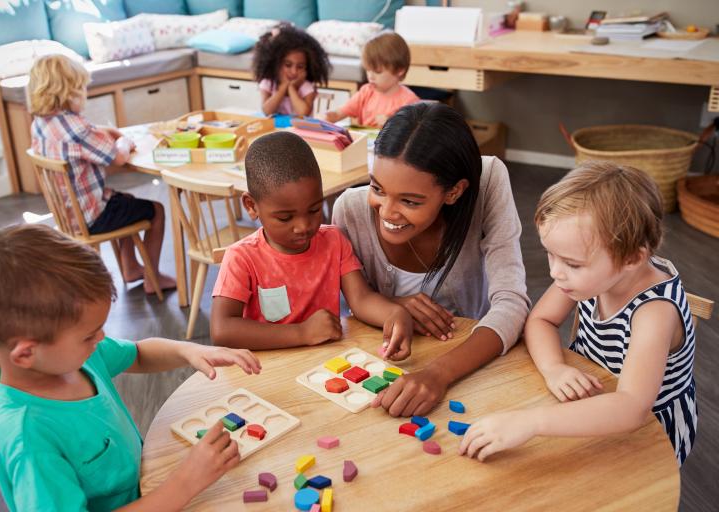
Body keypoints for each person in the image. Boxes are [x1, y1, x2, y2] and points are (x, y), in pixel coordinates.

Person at [0, 224, 262, 511]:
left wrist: (189, 350)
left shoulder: (70, 357)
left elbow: (139, 354)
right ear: (25, 354)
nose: (100, 339)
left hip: (150, 487)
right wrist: (184, 483)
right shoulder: (28, 438)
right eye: (89, 335)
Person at [459, 162, 697, 465]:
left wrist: (532, 422)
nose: (555, 272)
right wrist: (553, 368)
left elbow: (632, 408)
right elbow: (541, 320)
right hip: (590, 395)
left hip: (650, 432)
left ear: (632, 259)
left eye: (571, 263)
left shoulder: (655, 312)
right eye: (551, 254)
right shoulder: (592, 275)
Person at [332, 102, 530, 416]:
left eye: (410, 201)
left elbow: (512, 302)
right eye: (377, 188)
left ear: (454, 192)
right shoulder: (349, 210)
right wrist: (392, 303)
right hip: (384, 368)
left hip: (470, 359)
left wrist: (438, 374)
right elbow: (350, 306)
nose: (387, 212)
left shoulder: (487, 179)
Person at [210, 131, 414, 358]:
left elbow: (361, 299)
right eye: (285, 218)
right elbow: (222, 330)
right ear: (251, 206)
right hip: (267, 370)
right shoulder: (242, 258)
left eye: (314, 210)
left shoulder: (334, 241)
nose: (303, 226)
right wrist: (301, 333)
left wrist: (395, 313)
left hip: (324, 364)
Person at [28, 54, 175, 294]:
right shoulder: (77, 128)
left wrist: (103, 131)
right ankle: (153, 277)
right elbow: (117, 157)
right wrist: (125, 141)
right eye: (82, 89)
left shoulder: (41, 123)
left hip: (68, 214)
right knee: (155, 210)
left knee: (125, 202)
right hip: (92, 217)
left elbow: (85, 138)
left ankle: (130, 268)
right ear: (69, 92)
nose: (85, 93)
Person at [325, 31, 419, 128]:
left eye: (377, 72)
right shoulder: (366, 92)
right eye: (368, 70)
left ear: (399, 70)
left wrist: (392, 125)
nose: (370, 76)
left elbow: (413, 134)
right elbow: (339, 113)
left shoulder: (409, 102)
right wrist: (330, 116)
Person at [252, 24, 330, 117]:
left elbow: (303, 113)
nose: (294, 71)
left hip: (297, 130)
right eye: (288, 65)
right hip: (274, 129)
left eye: (300, 66)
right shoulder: (268, 83)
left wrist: (291, 88)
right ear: (275, 63)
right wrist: (283, 87)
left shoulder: (306, 87)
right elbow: (267, 111)